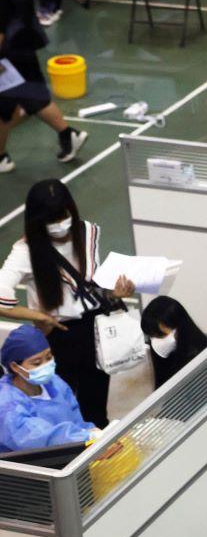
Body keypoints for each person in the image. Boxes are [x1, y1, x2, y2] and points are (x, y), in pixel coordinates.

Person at [0, 180, 134, 427]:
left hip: (95, 327)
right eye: (52, 219)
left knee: (96, 403)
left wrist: (114, 294)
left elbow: (92, 285)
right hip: (57, 335)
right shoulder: (26, 251)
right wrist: (37, 316)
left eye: (64, 216)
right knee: (58, 405)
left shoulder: (88, 232)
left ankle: (97, 448)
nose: (61, 225)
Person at [0, 0, 87, 172]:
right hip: (24, 42)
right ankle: (68, 135)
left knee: (8, 104)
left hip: (9, 51)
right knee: (29, 97)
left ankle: (1, 158)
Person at [0, 324, 95, 452]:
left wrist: (92, 431)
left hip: (70, 455)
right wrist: (85, 437)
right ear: (15, 367)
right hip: (32, 466)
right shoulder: (6, 403)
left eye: (49, 357)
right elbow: (37, 436)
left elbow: (77, 421)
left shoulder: (55, 383)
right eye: (37, 363)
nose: (46, 365)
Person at [141, 296, 207, 390]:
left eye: (160, 335)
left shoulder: (202, 360)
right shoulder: (167, 355)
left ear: (180, 328)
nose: (155, 341)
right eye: (151, 336)